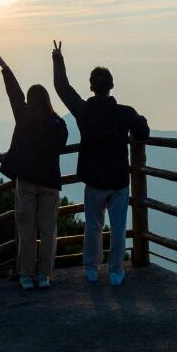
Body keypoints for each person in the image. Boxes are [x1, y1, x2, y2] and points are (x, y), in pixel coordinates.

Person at [51, 41, 149, 287]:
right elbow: (143, 131)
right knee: (117, 228)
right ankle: (116, 272)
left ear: (91, 87)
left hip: (93, 180)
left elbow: (62, 88)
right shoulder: (124, 113)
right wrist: (141, 118)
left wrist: (58, 58)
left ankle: (91, 269)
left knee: (93, 227)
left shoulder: (84, 111)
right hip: (117, 181)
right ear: (112, 86)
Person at [0, 48, 69, 290]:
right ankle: (45, 275)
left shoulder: (24, 117)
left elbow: (15, 95)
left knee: (26, 231)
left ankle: (26, 276)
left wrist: (5, 68)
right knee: (48, 231)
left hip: (26, 181)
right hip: (49, 183)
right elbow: (61, 145)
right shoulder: (59, 124)